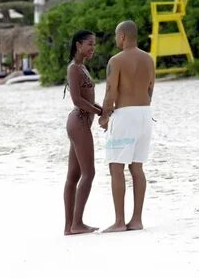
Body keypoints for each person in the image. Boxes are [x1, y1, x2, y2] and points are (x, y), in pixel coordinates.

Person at [98, 20, 155, 233]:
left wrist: (104, 117)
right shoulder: (149, 59)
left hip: (125, 116)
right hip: (145, 114)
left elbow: (111, 92)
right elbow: (150, 89)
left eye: (116, 36)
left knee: (116, 166)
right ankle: (137, 220)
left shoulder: (116, 60)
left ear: (122, 36)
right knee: (137, 167)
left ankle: (120, 221)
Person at [63, 30, 102, 235]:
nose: (92, 48)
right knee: (89, 173)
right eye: (89, 44)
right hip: (79, 122)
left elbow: (87, 98)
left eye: (94, 45)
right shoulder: (74, 68)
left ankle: (70, 226)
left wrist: (101, 109)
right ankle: (76, 223)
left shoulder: (82, 67)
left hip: (79, 122)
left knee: (74, 174)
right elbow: (77, 100)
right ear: (78, 45)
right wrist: (99, 112)